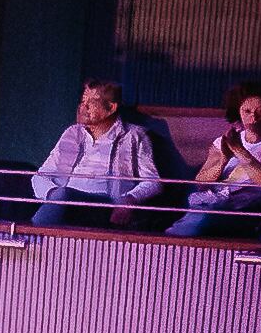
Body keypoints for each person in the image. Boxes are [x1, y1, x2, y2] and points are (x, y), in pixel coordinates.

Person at [28, 74, 165, 227]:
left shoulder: (134, 136)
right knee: (63, 194)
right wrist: (54, 196)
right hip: (66, 203)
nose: (82, 107)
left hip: (105, 207)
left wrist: (130, 199)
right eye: (82, 101)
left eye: (91, 102)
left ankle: (30, 238)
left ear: (111, 108)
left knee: (64, 195)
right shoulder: (73, 133)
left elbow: (153, 182)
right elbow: (40, 177)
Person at [168, 78, 261, 236]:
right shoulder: (222, 141)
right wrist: (223, 158)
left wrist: (239, 150)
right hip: (214, 199)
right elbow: (201, 182)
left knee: (203, 218)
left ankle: (170, 238)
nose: (254, 118)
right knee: (202, 214)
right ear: (238, 112)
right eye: (247, 111)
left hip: (247, 204)